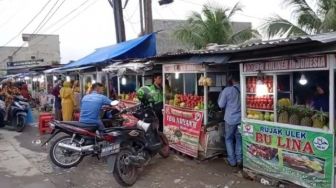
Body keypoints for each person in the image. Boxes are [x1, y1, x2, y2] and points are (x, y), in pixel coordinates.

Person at [217, 75, 242, 169]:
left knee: (229, 139)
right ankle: (239, 160)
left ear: (231, 80)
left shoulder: (227, 90)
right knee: (239, 139)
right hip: (240, 119)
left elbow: (220, 104)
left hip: (230, 119)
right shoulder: (243, 88)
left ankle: (232, 161)